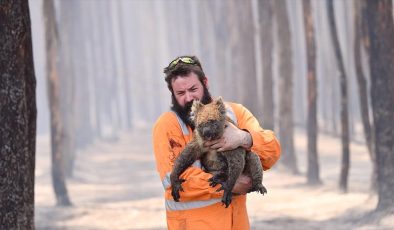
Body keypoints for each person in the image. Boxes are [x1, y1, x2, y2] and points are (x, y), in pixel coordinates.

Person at [152, 55, 281, 229]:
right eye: (181, 93)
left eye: (193, 89)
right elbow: (172, 179)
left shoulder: (235, 112)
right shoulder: (167, 125)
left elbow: (272, 151)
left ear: (205, 83)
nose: (189, 98)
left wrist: (244, 138)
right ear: (172, 94)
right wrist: (229, 185)